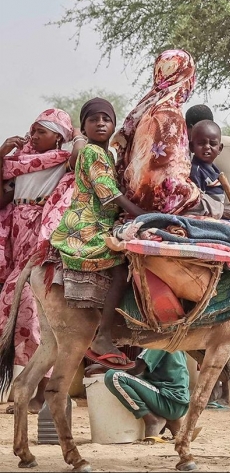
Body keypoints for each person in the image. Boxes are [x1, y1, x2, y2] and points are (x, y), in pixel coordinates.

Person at [113, 50, 230, 393]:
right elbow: (169, 186)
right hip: (166, 214)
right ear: (187, 78)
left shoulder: (141, 114)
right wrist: (218, 209)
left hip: (140, 209)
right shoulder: (169, 118)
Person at [50, 99, 149, 370]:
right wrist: (143, 213)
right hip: (86, 226)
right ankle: (104, 335)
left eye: (106, 119)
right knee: (120, 267)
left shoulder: (108, 156)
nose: (101, 123)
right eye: (94, 120)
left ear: (114, 125)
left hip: (101, 222)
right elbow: (108, 195)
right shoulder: (92, 152)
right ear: (84, 127)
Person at [0, 108, 76, 412]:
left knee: (33, 310)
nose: (33, 136)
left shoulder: (62, 162)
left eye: (42, 131)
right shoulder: (18, 162)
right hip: (16, 235)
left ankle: (41, 393)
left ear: (58, 137)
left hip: (40, 236)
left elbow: (79, 151)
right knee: (12, 309)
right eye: (33, 130)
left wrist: (76, 136)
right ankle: (25, 387)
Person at [99, 348, 190, 441]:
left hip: (168, 402)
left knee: (113, 376)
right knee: (135, 378)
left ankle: (152, 420)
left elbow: (136, 369)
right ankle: (173, 421)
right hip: (179, 404)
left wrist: (102, 367)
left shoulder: (158, 340)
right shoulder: (174, 341)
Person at [188, 120, 225, 202]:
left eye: (213, 144)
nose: (207, 147)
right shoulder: (195, 171)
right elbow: (197, 201)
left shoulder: (214, 169)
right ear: (191, 147)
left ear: (220, 148)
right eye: (201, 143)